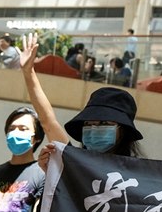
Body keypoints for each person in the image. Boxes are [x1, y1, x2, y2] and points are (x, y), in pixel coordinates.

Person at [19, 33, 144, 172]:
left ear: (123, 130)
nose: (94, 129)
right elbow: (48, 122)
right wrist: (28, 72)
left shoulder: (140, 175)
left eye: (103, 123)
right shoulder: (73, 164)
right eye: (89, 124)